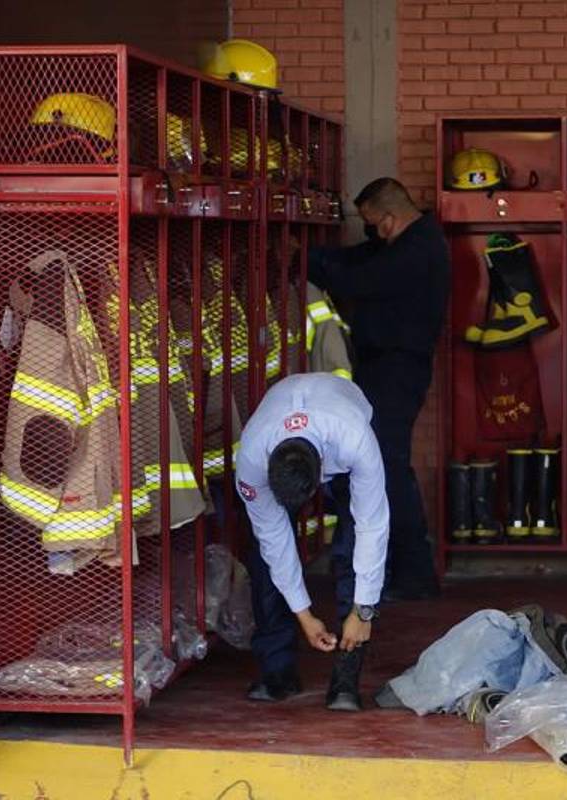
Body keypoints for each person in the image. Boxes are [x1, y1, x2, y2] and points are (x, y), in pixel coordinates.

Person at [308, 178, 449, 601]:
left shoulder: (418, 251)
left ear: (388, 219)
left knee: (387, 466)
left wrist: (308, 265)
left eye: (372, 224)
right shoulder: (408, 243)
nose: (371, 232)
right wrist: (313, 258)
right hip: (385, 368)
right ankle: (401, 571)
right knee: (383, 465)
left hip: (397, 369)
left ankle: (413, 575)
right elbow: (357, 258)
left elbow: (357, 280)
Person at [236, 372, 388, 711]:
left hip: (344, 414)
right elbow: (274, 540)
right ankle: (277, 671)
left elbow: (372, 527)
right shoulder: (251, 458)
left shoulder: (354, 439)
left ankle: (346, 676)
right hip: (283, 415)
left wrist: (364, 609)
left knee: (351, 548)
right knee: (263, 556)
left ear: (320, 473)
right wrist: (304, 615)